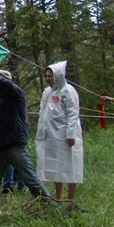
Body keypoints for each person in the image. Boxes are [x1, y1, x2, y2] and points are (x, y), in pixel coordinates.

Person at [0, 66, 52, 210]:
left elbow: (2, 84)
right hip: (0, 147)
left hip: (16, 146)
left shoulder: (16, 94)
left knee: (29, 178)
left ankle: (48, 202)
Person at [35, 61, 83, 201]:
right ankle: (59, 198)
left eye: (51, 76)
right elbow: (43, 113)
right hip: (51, 137)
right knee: (56, 167)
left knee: (70, 167)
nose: (48, 78)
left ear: (59, 75)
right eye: (46, 76)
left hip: (66, 137)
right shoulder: (47, 92)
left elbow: (73, 113)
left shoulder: (68, 90)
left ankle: (70, 199)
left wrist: (70, 134)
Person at [0, 99, 26, 193]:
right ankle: (9, 185)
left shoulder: (11, 96)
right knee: (10, 160)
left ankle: (18, 184)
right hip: (3, 135)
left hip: (15, 134)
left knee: (18, 160)